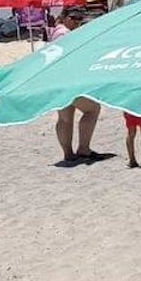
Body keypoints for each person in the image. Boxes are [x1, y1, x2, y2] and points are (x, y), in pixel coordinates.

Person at [50, 11, 107, 166]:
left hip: (56, 81)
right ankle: (83, 148)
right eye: (74, 18)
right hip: (70, 80)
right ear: (65, 17)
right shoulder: (66, 35)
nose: (77, 22)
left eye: (79, 19)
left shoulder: (55, 32)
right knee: (92, 109)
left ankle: (68, 154)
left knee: (65, 118)